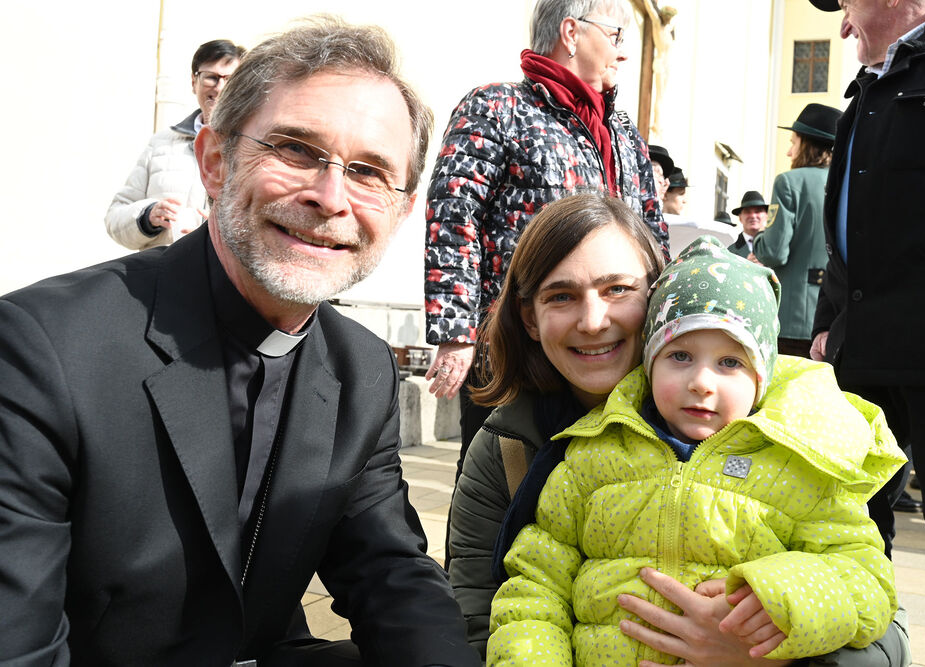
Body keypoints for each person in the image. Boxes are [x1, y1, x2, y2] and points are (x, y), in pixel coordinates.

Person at [0, 16, 478, 666]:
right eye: (296, 149)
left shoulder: (362, 369)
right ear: (215, 162)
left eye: (369, 171)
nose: (330, 197)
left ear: (401, 210)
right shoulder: (44, 349)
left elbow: (389, 570)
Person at [447, 193, 911, 666]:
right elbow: (505, 604)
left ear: (652, 296)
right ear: (530, 317)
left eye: (617, 289)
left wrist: (772, 647)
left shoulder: (800, 440)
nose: (593, 321)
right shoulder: (542, 453)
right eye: (561, 296)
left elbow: (872, 601)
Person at [806, 0, 925, 664]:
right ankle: (866, 649)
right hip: (865, 351)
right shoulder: (867, 88)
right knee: (851, 519)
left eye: (846, 3)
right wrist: (829, 323)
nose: (842, 24)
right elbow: (850, 222)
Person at [423, 0, 668, 470]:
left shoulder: (623, 134)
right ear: (571, 33)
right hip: (515, 346)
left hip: (609, 346)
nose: (623, 52)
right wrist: (457, 332)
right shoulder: (498, 107)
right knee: (504, 479)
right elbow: (454, 215)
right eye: (616, 36)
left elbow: (653, 237)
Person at [105, 39, 245, 251]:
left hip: (219, 269)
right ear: (193, 82)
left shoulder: (253, 147)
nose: (219, 87)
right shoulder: (161, 143)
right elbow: (114, 218)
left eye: (230, 79)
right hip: (162, 267)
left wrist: (218, 235)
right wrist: (148, 216)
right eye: (211, 77)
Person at [752, 103, 841, 358]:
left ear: (807, 145)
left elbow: (774, 251)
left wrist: (758, 241)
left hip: (791, 319)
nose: (790, 151)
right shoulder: (849, 184)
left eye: (793, 142)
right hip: (835, 318)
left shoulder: (789, 182)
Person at [727, 190, 768, 259]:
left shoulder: (777, 246)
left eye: (758, 211)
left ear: (766, 216)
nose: (753, 216)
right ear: (740, 218)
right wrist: (747, 264)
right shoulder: (729, 251)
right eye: (747, 212)